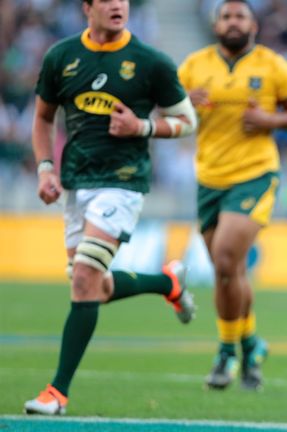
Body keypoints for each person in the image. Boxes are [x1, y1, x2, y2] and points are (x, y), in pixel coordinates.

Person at [23, 0, 198, 416]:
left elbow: (188, 120)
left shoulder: (149, 61)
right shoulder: (61, 57)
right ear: (87, 8)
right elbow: (43, 118)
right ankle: (167, 283)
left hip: (124, 182)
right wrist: (45, 169)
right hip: (75, 183)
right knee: (91, 287)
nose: (118, 4)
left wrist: (143, 127)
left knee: (83, 277)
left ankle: (57, 393)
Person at [178, 0, 287, 391]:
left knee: (224, 260)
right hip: (208, 179)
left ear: (253, 24)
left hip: (255, 175)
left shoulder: (272, 65)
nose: (233, 21)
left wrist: (271, 120)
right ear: (215, 24)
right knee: (231, 272)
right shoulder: (193, 66)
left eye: (240, 15)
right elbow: (169, 111)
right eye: (226, 16)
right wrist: (186, 104)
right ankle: (252, 343)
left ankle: (225, 353)